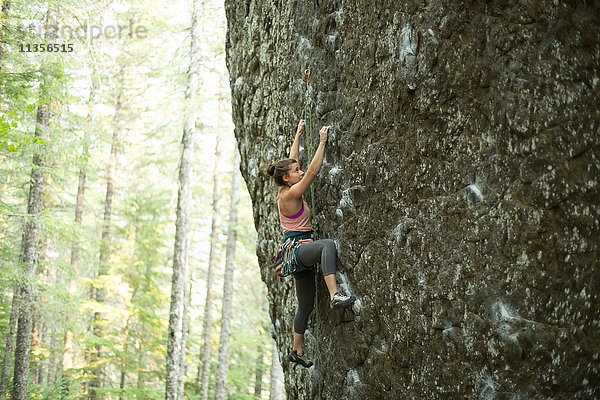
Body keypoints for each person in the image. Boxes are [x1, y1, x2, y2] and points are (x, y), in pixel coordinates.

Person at [266, 119, 355, 368]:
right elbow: (313, 173)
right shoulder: (291, 194)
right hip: (297, 250)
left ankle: (297, 351)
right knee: (327, 245)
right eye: (296, 172)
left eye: (299, 169)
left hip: (294, 254)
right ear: (287, 179)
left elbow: (292, 163)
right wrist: (322, 141)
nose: (301, 171)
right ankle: (335, 294)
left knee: (305, 305)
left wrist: (297, 135)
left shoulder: (285, 186)